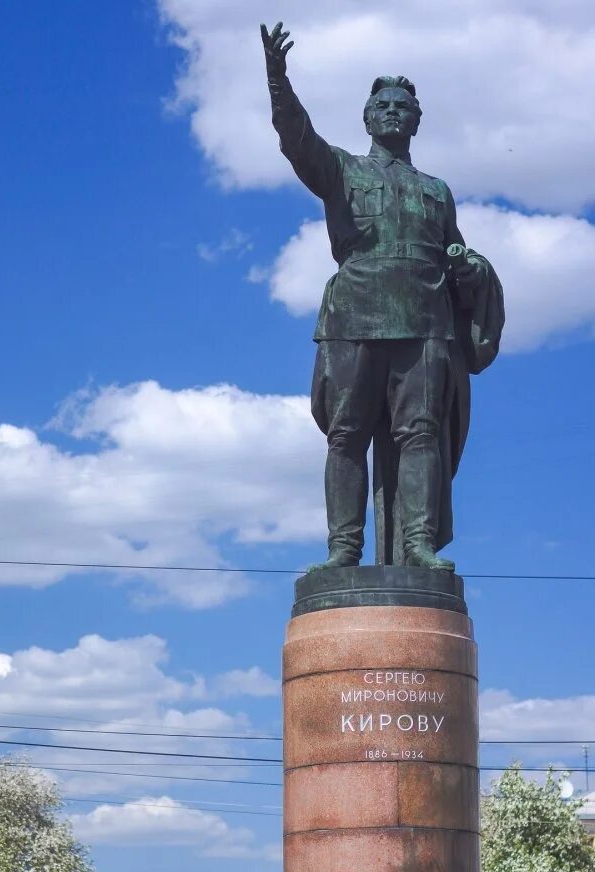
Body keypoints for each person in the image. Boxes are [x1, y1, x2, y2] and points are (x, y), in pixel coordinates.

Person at [260, 22, 503, 570]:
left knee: (420, 434)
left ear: (416, 121)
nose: (393, 111)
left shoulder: (436, 191)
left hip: (424, 321)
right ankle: (343, 550)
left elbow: (458, 256)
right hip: (354, 315)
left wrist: (470, 267)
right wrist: (278, 81)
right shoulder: (342, 169)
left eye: (403, 106)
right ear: (368, 119)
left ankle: (416, 544)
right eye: (383, 105)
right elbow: (297, 139)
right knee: (346, 434)